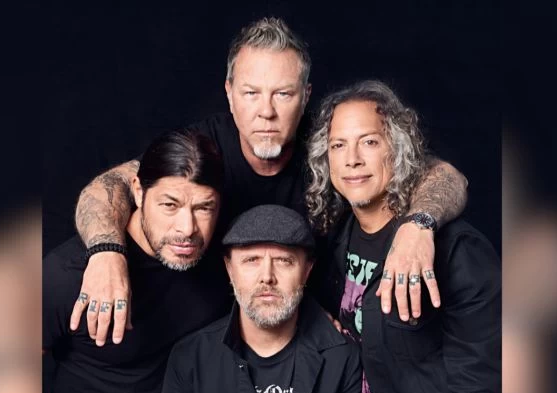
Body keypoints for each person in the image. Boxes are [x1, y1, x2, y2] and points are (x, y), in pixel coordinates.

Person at [71, 17, 470, 346]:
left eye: (283, 94)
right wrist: (106, 252)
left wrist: (418, 227)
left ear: (306, 96)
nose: (266, 111)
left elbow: (446, 176)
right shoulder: (202, 151)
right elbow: (109, 186)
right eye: (251, 93)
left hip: (323, 336)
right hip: (217, 338)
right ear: (229, 94)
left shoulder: (330, 144)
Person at [306, 80, 501, 393]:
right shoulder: (333, 236)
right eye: (338, 145)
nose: (352, 159)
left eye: (369, 142)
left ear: (398, 149)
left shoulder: (457, 250)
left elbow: (478, 387)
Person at [43, 130, 232, 393]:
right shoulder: (68, 275)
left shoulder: (224, 259)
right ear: (138, 192)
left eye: (204, 208)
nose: (187, 228)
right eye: (170, 205)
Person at [161, 204, 362, 393]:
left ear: (307, 270)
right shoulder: (190, 358)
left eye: (284, 261)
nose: (267, 277)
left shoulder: (342, 357)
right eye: (251, 260)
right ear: (229, 269)